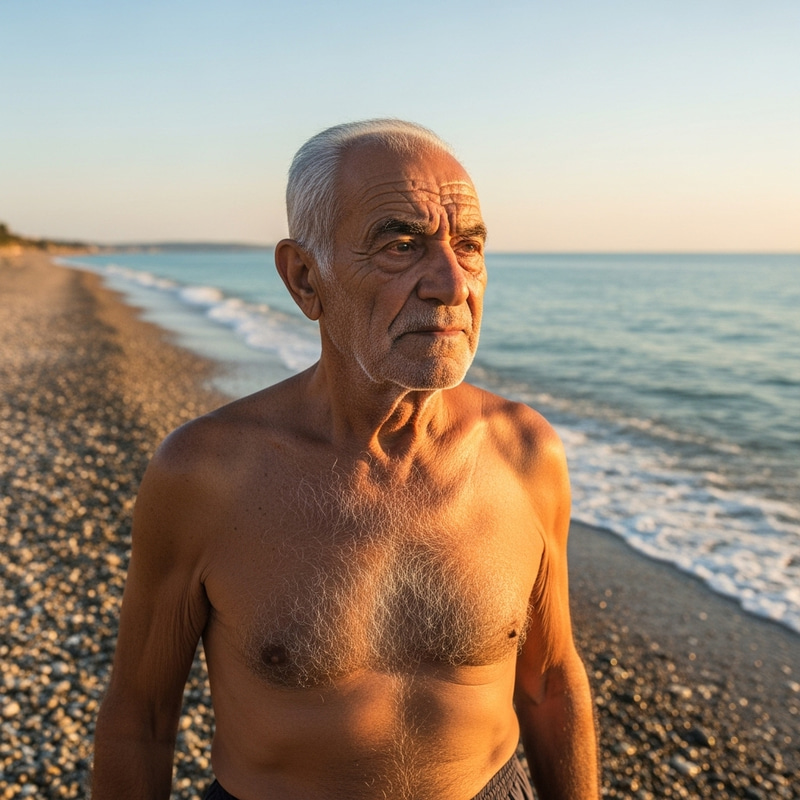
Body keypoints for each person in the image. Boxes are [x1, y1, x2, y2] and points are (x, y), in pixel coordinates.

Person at [92, 119, 599, 800]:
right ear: (305, 278)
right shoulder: (206, 475)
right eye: (400, 244)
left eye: (470, 246)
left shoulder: (524, 452)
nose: (452, 285)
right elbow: (139, 719)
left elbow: (550, 684)